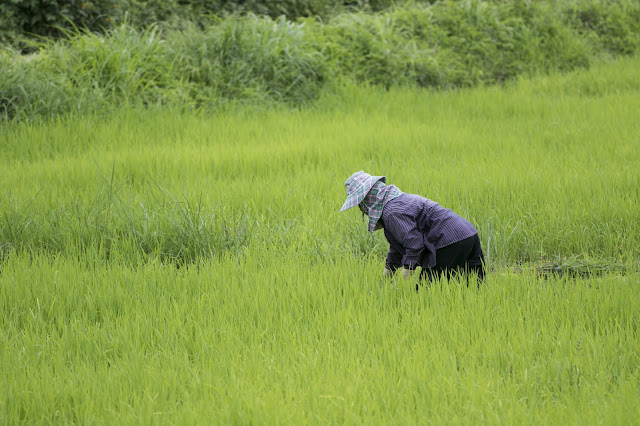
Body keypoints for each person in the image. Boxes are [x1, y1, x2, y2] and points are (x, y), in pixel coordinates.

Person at [340, 171, 484, 288]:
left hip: (449, 242)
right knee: (475, 289)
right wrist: (385, 281)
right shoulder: (395, 201)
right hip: (468, 233)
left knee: (425, 293)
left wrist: (404, 282)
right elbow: (397, 248)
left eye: (360, 204)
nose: (361, 210)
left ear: (368, 200)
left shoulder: (391, 212)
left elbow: (414, 245)